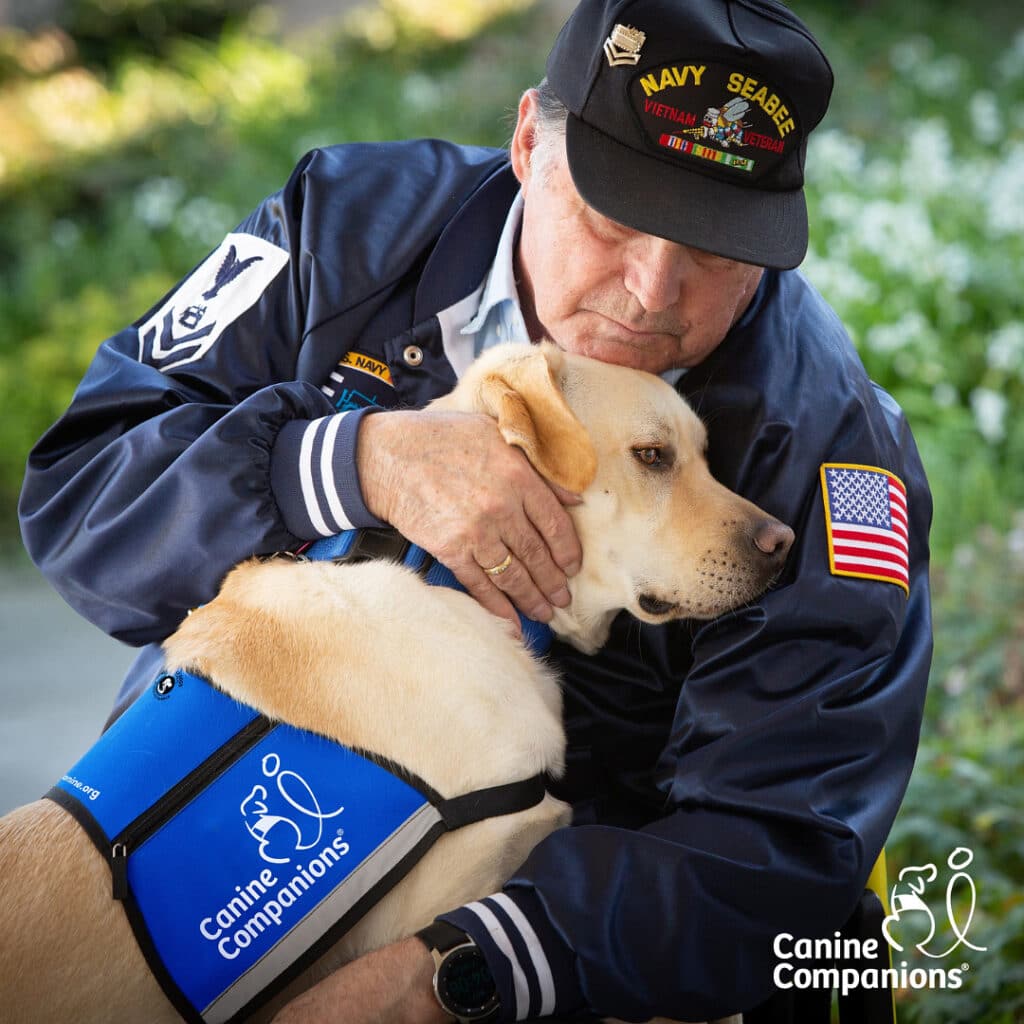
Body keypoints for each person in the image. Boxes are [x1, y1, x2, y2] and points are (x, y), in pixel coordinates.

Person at [18, 0, 933, 1021]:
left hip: (566, 948)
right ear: (529, 141)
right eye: (613, 217)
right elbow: (80, 490)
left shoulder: (829, 451)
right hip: (217, 850)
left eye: (715, 248)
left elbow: (784, 842)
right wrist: (348, 458)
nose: (652, 290)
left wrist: (454, 968)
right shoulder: (343, 226)